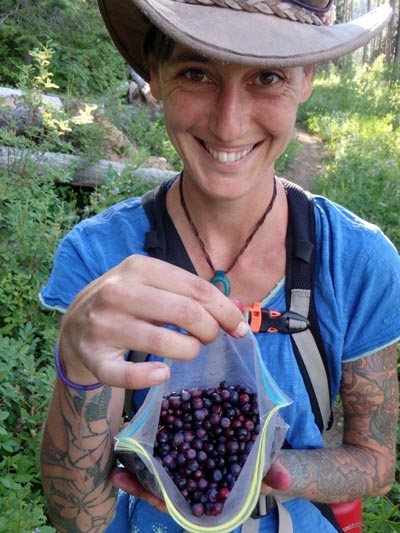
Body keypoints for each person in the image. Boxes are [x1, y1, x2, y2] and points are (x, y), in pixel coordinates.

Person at [39, 0, 399, 531]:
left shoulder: (359, 262)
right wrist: (78, 365)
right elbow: (78, 520)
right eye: (196, 72)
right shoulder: (100, 259)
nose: (229, 125)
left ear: (306, 80)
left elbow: (375, 462)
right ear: (156, 77)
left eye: (268, 76)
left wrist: (267, 472)